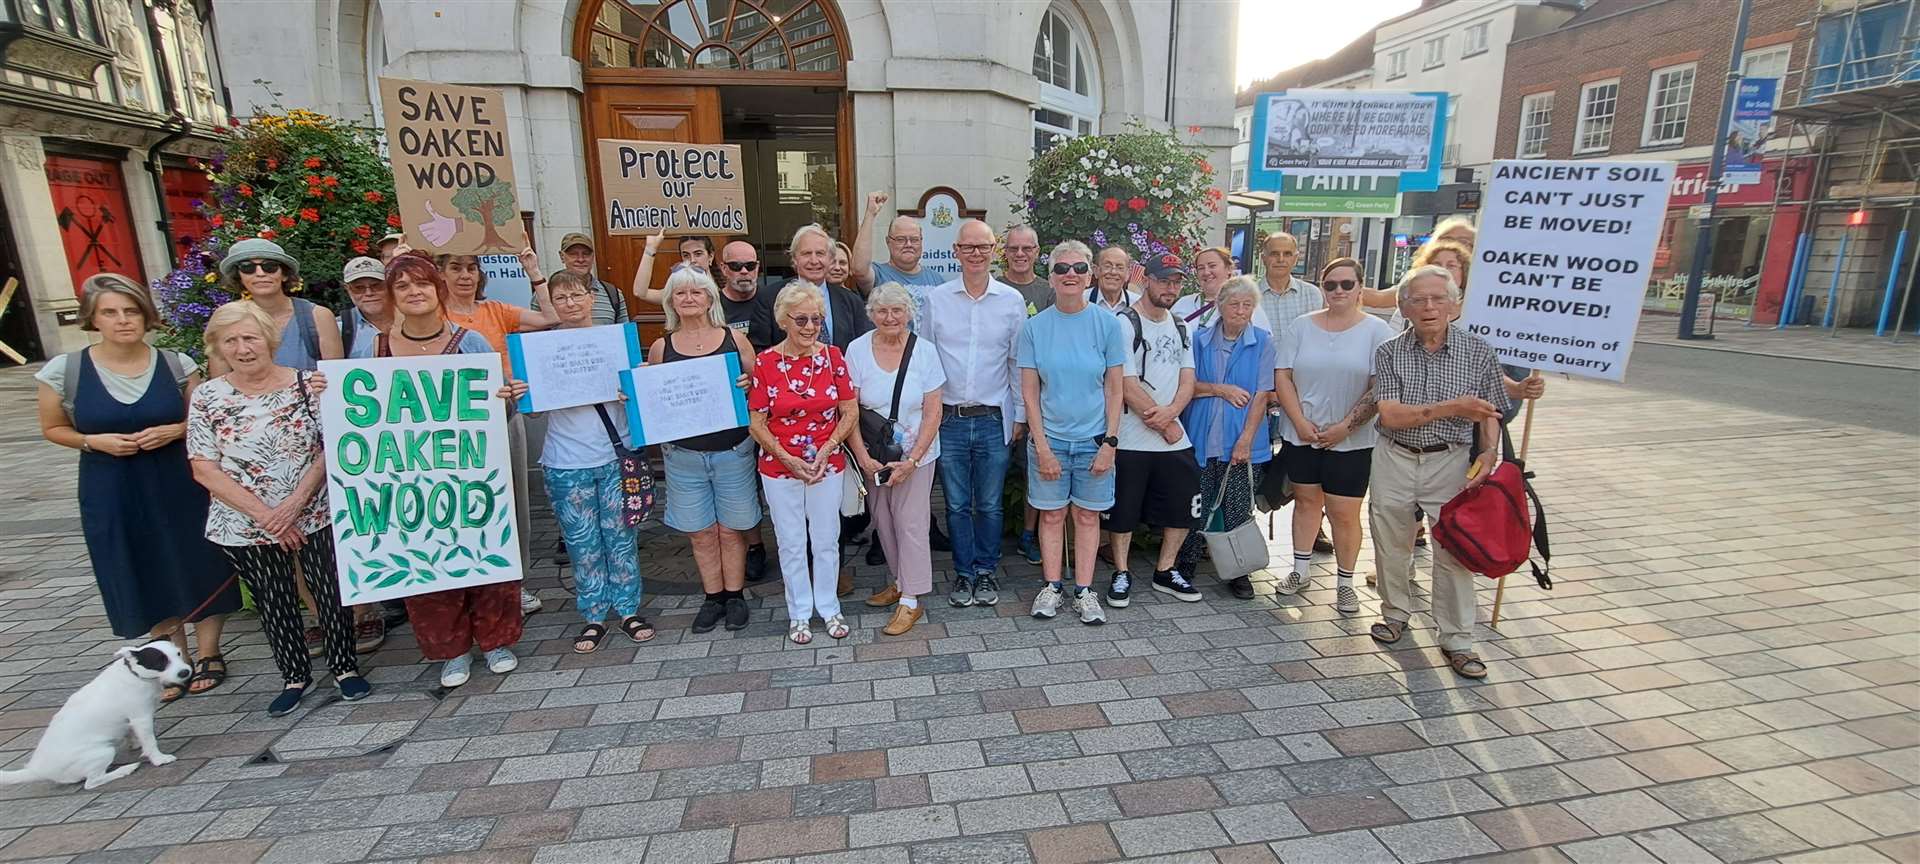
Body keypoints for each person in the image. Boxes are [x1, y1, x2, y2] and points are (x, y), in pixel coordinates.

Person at [35, 275, 236, 703]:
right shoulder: (64, 371)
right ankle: (171, 656)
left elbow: (202, 418)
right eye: (110, 312)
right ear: (93, 318)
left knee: (199, 557)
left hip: (176, 476)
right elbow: (52, 427)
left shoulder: (176, 364)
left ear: (146, 315)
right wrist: (94, 440)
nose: (122, 320)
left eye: (131, 311)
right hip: (111, 482)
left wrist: (174, 431)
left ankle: (209, 651)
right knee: (140, 561)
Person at [349, 253, 525, 687]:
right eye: (403, 286)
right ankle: (452, 651)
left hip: (472, 469)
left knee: (485, 552)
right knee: (426, 563)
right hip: (410, 477)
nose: (414, 293)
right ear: (392, 296)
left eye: (422, 284)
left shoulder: (471, 342)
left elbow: (495, 413)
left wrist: (507, 397)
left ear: (437, 289)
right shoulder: (373, 348)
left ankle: (496, 640)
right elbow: (358, 415)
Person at [187, 300, 368, 716]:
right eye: (230, 340)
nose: (243, 348)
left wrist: (295, 503)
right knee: (274, 598)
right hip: (246, 523)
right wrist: (267, 516)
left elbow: (332, 447)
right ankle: (294, 675)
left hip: (313, 510)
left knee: (330, 591)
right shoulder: (208, 397)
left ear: (269, 339)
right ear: (217, 347)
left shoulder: (310, 385)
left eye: (250, 337)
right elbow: (203, 466)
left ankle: (344, 667)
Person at [1367, 265, 1512, 680]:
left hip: (1451, 458)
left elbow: (1489, 412)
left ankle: (1457, 639)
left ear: (1455, 305)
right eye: (1419, 299)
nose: (1429, 307)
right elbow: (1390, 415)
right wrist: (1452, 408)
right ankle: (1395, 614)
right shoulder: (1390, 351)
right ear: (1404, 307)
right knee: (1391, 542)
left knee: (1452, 550)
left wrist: (1489, 453)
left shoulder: (1479, 351)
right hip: (1395, 454)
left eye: (1438, 298)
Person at [525, 270, 651, 653]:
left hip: (614, 454)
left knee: (620, 536)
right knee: (582, 541)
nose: (570, 304)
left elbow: (638, 395)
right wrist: (524, 394)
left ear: (591, 297)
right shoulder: (540, 350)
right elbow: (531, 413)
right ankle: (594, 614)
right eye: (561, 298)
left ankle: (628, 609)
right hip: (566, 458)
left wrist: (638, 381)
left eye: (577, 295)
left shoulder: (616, 341)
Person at [437, 249, 558, 617]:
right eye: (455, 267)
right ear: (439, 273)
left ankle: (514, 585)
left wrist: (534, 270)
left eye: (471, 267)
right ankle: (466, 586)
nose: (465, 275)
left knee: (514, 501)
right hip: (451, 424)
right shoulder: (435, 315)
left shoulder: (496, 311)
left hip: (503, 415)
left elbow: (550, 319)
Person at [1273, 258, 1396, 614]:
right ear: (1322, 288)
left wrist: (1346, 426)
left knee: (1344, 512)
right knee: (1306, 503)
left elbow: (1378, 386)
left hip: (1352, 440)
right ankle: (1299, 570)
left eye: (1346, 284)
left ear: (1360, 287)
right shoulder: (1302, 326)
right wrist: (1297, 421)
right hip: (1303, 434)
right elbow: (1283, 374)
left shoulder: (1376, 331)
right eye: (1331, 285)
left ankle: (1345, 582)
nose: (1338, 291)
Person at [648, 267, 761, 632]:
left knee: (731, 530)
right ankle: (712, 598)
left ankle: (735, 596)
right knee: (700, 532)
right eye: (680, 293)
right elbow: (654, 401)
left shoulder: (734, 340)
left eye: (697, 292)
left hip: (732, 449)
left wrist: (749, 382)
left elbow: (761, 393)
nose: (689, 298)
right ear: (671, 302)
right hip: (684, 456)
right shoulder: (661, 347)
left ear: (710, 298)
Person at [922, 220, 1026, 607]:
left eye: (983, 247)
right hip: (948, 418)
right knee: (955, 503)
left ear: (994, 250)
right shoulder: (937, 299)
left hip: (992, 417)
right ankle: (963, 575)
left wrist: (1018, 417)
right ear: (956, 251)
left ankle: (986, 571)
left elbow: (1017, 362)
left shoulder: (1011, 301)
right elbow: (926, 359)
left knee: (989, 504)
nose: (976, 254)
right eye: (969, 247)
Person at [1019, 240, 1124, 626]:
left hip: (1095, 440)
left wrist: (1110, 442)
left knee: (1086, 516)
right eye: (1061, 268)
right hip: (1051, 441)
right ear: (1051, 276)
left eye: (1079, 269)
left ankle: (1083, 589)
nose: (1070, 275)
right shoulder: (1034, 328)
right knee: (1050, 516)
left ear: (1090, 274)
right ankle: (1051, 586)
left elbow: (1115, 389)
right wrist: (1043, 447)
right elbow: (1029, 394)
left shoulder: (1107, 324)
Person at [748, 281, 859, 645]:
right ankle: (799, 612)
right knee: (791, 541)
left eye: (816, 319)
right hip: (780, 467)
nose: (810, 327)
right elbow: (756, 422)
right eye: (801, 320)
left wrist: (826, 450)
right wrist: (788, 459)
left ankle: (828, 606)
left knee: (826, 539)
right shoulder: (765, 362)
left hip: (826, 463)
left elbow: (848, 411)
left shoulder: (833, 357)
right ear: (784, 320)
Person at [1104, 254, 1203, 607]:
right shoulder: (1123, 323)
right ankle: (1121, 571)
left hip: (1173, 437)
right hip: (1131, 436)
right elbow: (1124, 383)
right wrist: (1161, 421)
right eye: (1164, 280)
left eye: (1176, 281)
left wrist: (1172, 415)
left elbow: (1188, 378)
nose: (1170, 288)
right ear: (1146, 279)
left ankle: (1165, 570)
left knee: (1182, 505)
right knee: (1124, 510)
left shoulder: (1182, 326)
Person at [848, 283, 946, 635]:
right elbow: (850, 409)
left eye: (897, 310)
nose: (890, 317)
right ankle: (900, 581)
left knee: (910, 522)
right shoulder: (857, 350)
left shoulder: (925, 352)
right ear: (872, 314)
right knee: (883, 520)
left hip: (915, 455)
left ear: (909, 313)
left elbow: (934, 410)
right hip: (874, 454)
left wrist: (913, 459)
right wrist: (861, 456)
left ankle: (911, 599)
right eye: (882, 311)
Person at [1174, 276, 1277, 599]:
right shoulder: (1199, 340)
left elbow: (1262, 394)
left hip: (1242, 440)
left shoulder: (1262, 342)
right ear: (1219, 306)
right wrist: (1220, 390)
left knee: (1236, 508)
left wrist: (1246, 439)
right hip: (1202, 437)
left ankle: (1239, 571)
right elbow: (1187, 387)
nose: (1241, 310)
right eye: (1235, 304)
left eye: (1248, 305)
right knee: (1196, 505)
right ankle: (1186, 563)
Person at [1254, 232, 1332, 555]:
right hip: (1260, 390)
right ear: (1264, 257)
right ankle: (1249, 522)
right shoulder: (1251, 292)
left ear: (1296, 257)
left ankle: (1313, 527)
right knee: (1259, 462)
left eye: (1288, 253)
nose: (1281, 259)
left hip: (1301, 392)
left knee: (1307, 460)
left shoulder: (1312, 295)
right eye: (1275, 253)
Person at [207, 238, 342, 375]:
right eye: (248, 268)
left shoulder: (318, 316)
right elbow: (220, 383)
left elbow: (335, 378)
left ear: (284, 274)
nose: (260, 273)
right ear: (239, 277)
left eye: (270, 267)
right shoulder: (226, 319)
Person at [850, 192, 949, 324]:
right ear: (888, 241)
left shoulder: (937, 280)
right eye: (901, 239)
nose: (908, 245)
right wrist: (870, 214)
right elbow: (859, 269)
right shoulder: (879, 274)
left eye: (914, 239)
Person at [1172, 247, 1272, 332]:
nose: (1206, 272)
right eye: (1201, 268)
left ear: (1228, 269)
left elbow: (1263, 342)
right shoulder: (1183, 304)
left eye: (1212, 266)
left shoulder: (1245, 304)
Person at [554, 232, 632, 326]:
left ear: (593, 256)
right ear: (562, 256)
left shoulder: (613, 293)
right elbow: (536, 335)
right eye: (573, 254)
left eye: (586, 254)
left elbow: (625, 334)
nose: (580, 259)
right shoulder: (547, 294)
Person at [338, 256, 391, 360]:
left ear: (389, 285)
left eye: (376, 286)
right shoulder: (338, 329)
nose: (369, 293)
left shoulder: (411, 321)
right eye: (358, 288)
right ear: (347, 289)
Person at [999, 225, 1052, 315]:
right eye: (1013, 249)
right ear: (1006, 252)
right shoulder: (994, 289)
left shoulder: (1048, 292)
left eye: (1027, 248)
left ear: (1037, 252)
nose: (1019, 253)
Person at [1090, 246, 1138, 312]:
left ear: (1128, 274)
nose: (1113, 272)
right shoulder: (1080, 301)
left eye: (1120, 268)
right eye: (1107, 266)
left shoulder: (1138, 305)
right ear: (1096, 271)